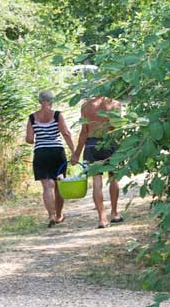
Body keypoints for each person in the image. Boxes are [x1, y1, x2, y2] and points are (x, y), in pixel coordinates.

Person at [71, 96, 123, 228]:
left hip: (91, 144)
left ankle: (102, 218)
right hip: (109, 143)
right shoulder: (115, 104)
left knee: (97, 181)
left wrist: (76, 154)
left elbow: (84, 132)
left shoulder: (86, 106)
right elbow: (117, 129)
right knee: (114, 177)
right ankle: (115, 213)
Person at [25, 90, 74, 227]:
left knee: (47, 186)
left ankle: (51, 215)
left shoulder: (32, 117)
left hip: (41, 153)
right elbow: (65, 133)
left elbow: (29, 139)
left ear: (40, 101)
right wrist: (74, 151)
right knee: (59, 185)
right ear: (52, 101)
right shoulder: (57, 115)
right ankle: (59, 215)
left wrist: (39, 137)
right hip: (57, 152)